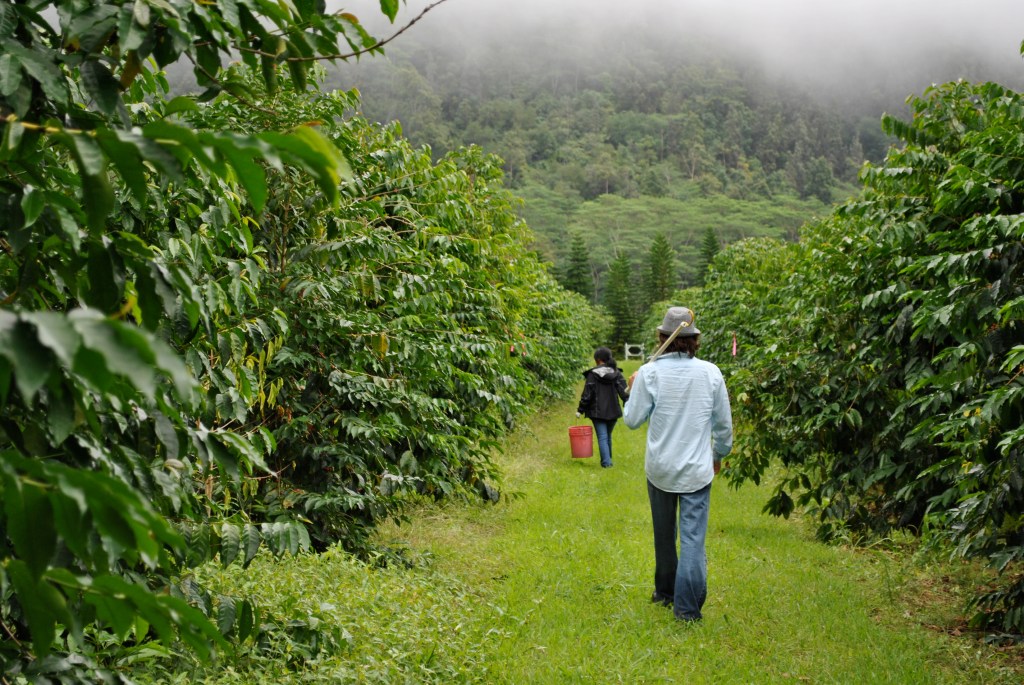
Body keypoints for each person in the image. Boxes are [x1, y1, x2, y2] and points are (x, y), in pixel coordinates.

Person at [622, 306, 733, 622]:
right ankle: (685, 609)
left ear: (662, 338)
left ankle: (666, 593)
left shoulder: (650, 372)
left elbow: (631, 419)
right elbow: (723, 426)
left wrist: (633, 388)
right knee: (693, 540)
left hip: (660, 469)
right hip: (696, 471)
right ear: (694, 340)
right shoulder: (710, 372)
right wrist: (718, 455)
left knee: (664, 534)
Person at [576, 347, 630, 468]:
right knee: (607, 436)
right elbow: (624, 391)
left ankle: (606, 463)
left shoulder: (593, 374)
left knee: (602, 436)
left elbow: (587, 394)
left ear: (598, 360)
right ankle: (608, 461)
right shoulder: (617, 372)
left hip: (597, 411)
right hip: (613, 411)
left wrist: (580, 409)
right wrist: (627, 403)